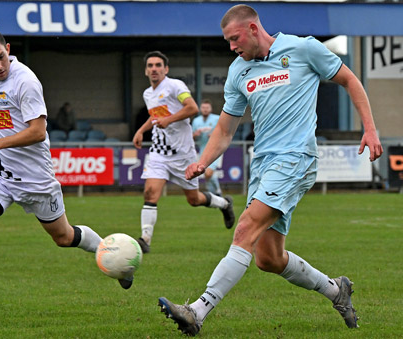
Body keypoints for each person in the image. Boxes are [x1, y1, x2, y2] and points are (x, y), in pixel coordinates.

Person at [157, 5, 383, 336]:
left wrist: (370, 129)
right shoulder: (238, 71)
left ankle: (197, 310)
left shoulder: (303, 48)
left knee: (245, 228)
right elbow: (224, 131)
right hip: (263, 164)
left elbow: (349, 79)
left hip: (296, 158)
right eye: (227, 41)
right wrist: (203, 161)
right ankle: (337, 291)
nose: (232, 47)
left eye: (234, 39)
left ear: (252, 28)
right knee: (268, 258)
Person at [0, 27, 130, 321]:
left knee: (64, 237)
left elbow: (38, 132)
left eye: (2, 57)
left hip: (35, 178)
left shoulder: (25, 81)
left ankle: (113, 255)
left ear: (8, 48)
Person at [132, 51, 235, 254]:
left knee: (194, 200)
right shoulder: (148, 94)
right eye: (150, 65)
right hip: (159, 152)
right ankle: (145, 239)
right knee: (150, 192)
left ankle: (224, 203)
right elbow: (155, 116)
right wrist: (141, 130)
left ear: (166, 69)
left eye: (158, 65)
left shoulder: (175, 86)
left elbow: (192, 108)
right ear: (146, 70)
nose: (154, 68)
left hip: (183, 154)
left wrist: (169, 120)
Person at [192, 99, 223, 196]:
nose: (205, 109)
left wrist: (215, 134)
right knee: (206, 174)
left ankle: (217, 192)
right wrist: (195, 134)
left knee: (209, 173)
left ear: (211, 109)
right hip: (203, 150)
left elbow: (224, 132)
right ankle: (214, 194)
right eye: (203, 108)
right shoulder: (196, 121)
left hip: (215, 150)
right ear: (200, 109)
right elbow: (191, 136)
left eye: (207, 108)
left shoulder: (217, 119)